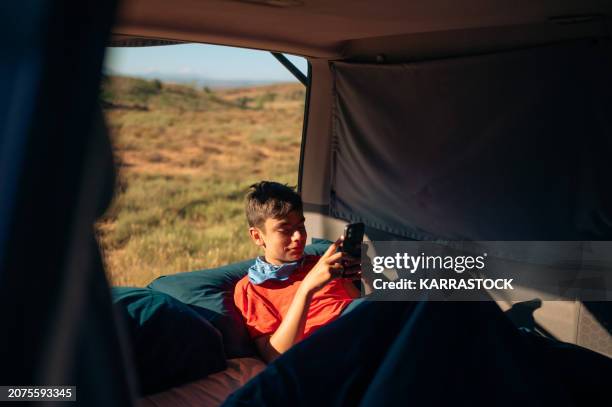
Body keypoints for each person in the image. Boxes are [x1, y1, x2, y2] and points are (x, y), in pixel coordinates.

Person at [233, 181, 361, 362]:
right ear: (257, 236)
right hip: (331, 351)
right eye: (285, 230)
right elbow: (274, 355)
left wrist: (352, 278)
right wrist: (307, 289)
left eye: (301, 227)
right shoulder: (251, 289)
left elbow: (356, 306)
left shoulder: (320, 263)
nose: (299, 237)